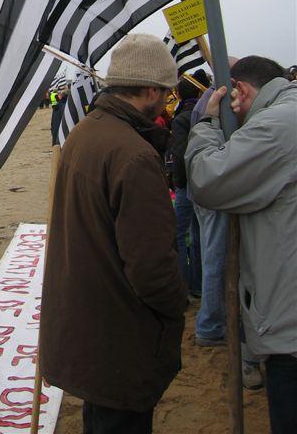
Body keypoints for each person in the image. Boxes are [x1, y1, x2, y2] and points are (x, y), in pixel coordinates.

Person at [40, 34, 188, 434]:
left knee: (103, 416)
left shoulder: (86, 130)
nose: (168, 99)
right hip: (120, 332)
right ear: (151, 91)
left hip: (92, 321)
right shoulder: (134, 155)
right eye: (166, 91)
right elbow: (152, 268)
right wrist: (179, 304)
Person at [186, 56, 297, 434]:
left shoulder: (276, 125)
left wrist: (208, 124)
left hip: (289, 326)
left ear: (240, 90)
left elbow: (207, 180)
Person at [169, 76, 204, 298]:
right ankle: (198, 285)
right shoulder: (206, 114)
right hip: (205, 183)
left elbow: (181, 155)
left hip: (186, 184)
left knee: (179, 235)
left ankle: (184, 286)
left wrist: (177, 181)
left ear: (179, 94)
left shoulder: (181, 119)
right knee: (199, 236)